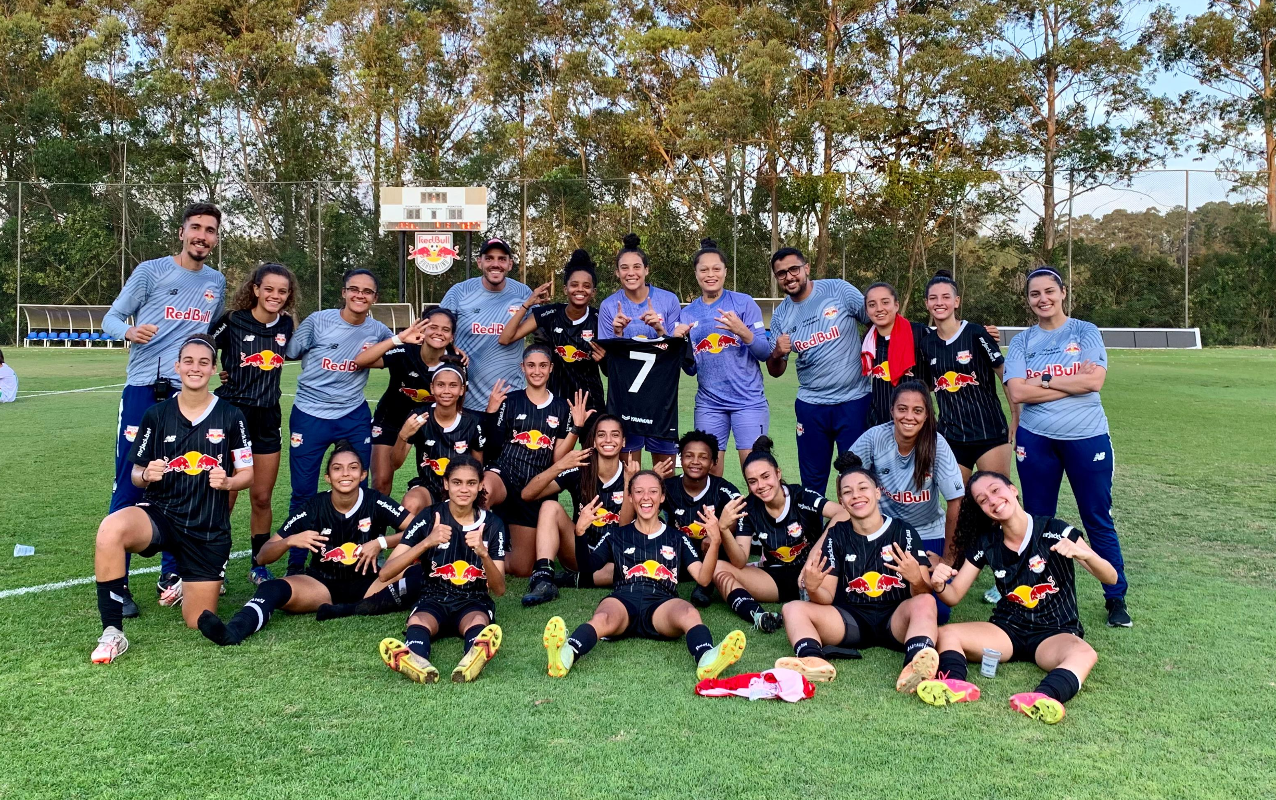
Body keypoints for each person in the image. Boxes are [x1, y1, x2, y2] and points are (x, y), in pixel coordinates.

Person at [90, 334, 253, 664]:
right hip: (161, 514)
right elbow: (136, 473)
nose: (195, 368)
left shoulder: (232, 415)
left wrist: (230, 480)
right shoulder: (156, 414)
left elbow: (248, 474)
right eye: (189, 361)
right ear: (178, 367)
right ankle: (112, 633)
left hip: (208, 527)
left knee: (198, 622)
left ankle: (187, 585)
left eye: (203, 362)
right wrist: (146, 474)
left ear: (212, 369)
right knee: (111, 529)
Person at [917, 471, 1118, 724]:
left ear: (1013, 490)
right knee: (947, 633)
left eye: (995, 490)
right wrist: (939, 585)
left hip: (1054, 633)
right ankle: (953, 684)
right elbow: (954, 594)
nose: (992, 500)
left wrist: (1084, 554)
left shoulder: (1055, 530)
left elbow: (1111, 578)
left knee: (1085, 653)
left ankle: (1043, 698)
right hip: (1007, 632)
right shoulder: (986, 543)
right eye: (982, 500)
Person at [101, 202, 225, 611]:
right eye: (196, 228)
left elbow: (209, 336)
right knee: (131, 478)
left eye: (210, 230)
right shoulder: (151, 271)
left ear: (215, 237)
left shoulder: (216, 281)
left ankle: (172, 574)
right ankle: (117, 587)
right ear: (182, 231)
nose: (202, 236)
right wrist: (130, 330)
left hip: (188, 396)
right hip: (143, 389)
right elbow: (111, 318)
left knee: (184, 478)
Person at [1002, 266, 1131, 628]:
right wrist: (1068, 380)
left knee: (1096, 517)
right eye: (1034, 294)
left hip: (1086, 437)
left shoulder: (1084, 331)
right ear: (1028, 300)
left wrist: (1040, 380)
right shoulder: (1023, 341)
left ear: (1062, 292)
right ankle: (1036, 590)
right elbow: (1016, 391)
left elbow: (1096, 381)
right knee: (1037, 520)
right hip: (1036, 438)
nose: (1042, 299)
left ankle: (1116, 596)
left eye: (1048, 292)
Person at [195, 441, 418, 645]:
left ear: (363, 474)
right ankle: (233, 631)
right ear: (328, 477)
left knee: (420, 573)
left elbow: (420, 530)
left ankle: (352, 609)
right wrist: (290, 541)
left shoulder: (375, 500)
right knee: (271, 588)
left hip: (371, 583)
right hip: (321, 587)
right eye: (337, 468)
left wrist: (381, 542)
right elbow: (263, 556)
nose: (345, 474)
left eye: (353, 467)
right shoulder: (313, 507)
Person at [542, 470, 748, 680]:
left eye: (653, 491)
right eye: (639, 492)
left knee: (688, 612)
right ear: (630, 498)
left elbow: (704, 579)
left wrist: (714, 543)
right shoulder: (616, 535)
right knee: (602, 617)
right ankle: (566, 654)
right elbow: (587, 569)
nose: (646, 497)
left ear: (662, 497)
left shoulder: (678, 537)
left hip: (662, 604)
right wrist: (580, 534)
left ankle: (706, 658)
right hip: (623, 600)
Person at [776, 453, 939, 689]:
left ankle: (914, 666)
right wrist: (812, 589)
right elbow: (826, 598)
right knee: (792, 608)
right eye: (848, 492)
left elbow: (924, 593)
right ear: (841, 501)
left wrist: (916, 580)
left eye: (863, 488)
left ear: (877, 492)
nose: (856, 496)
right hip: (852, 621)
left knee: (926, 602)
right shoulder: (837, 534)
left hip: (895, 619)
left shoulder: (903, 531)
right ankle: (813, 659)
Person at [283, 269, 392, 574]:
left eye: (367, 291)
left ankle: (367, 554)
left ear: (375, 298)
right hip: (310, 413)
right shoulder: (319, 321)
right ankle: (296, 565)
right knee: (303, 491)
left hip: (353, 415)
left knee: (360, 486)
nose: (360, 295)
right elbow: (291, 351)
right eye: (354, 289)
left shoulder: (379, 331)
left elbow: (403, 353)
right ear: (343, 292)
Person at [377, 456, 507, 684]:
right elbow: (385, 574)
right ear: (446, 484)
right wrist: (426, 542)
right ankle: (417, 662)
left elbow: (499, 589)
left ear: (479, 486)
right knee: (418, 622)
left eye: (470, 483)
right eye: (457, 482)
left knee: (477, 620)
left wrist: (484, 554)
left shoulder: (492, 524)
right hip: (433, 597)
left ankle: (472, 658)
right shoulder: (428, 517)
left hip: (473, 599)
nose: (464, 489)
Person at [208, 262, 298, 585]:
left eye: (282, 291)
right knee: (226, 496)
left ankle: (258, 565)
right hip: (231, 416)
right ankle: (213, 566)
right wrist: (218, 371)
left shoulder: (287, 325)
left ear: (288, 296)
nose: (275, 295)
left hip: (266, 418)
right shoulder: (231, 321)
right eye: (269, 289)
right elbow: (202, 347)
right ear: (256, 289)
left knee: (261, 496)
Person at [765, 247, 871, 494]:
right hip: (811, 405)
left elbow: (874, 319)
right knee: (812, 482)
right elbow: (775, 371)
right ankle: (812, 533)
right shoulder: (781, 315)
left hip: (854, 400)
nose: (789, 277)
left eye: (794, 269)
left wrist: (868, 351)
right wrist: (777, 353)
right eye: (781, 273)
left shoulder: (838, 290)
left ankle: (856, 532)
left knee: (857, 476)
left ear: (806, 268)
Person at [713, 437, 847, 633]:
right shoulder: (749, 508)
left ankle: (813, 600)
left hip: (814, 575)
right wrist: (724, 529)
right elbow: (740, 560)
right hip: (776, 579)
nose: (761, 485)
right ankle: (759, 615)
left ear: (778, 473)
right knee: (718, 567)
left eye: (765, 476)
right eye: (753, 481)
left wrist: (815, 551)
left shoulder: (800, 496)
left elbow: (843, 513)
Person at [481, 344, 588, 576]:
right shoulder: (509, 401)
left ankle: (490, 559)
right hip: (504, 474)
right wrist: (491, 412)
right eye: (531, 365)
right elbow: (492, 447)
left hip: (537, 485)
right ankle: (467, 553)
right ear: (523, 368)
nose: (536, 371)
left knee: (522, 568)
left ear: (551, 368)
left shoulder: (562, 407)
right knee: (483, 493)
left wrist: (577, 427)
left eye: (542, 365)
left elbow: (559, 458)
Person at [518, 414, 646, 606]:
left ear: (623, 441)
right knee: (549, 506)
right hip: (579, 551)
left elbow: (625, 529)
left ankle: (571, 580)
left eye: (615, 435)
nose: (608, 440)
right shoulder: (581, 470)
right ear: (594, 440)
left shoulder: (632, 475)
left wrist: (629, 484)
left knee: (633, 567)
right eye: (601, 435)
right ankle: (543, 578)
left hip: (612, 557)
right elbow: (528, 494)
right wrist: (561, 465)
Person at [675, 239, 772, 473]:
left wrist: (742, 331)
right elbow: (691, 369)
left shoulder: (743, 303)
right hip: (709, 404)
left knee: (755, 471)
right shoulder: (687, 313)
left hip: (748, 402)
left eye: (716, 268)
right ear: (696, 274)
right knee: (708, 474)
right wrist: (679, 345)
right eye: (704, 269)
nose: (711, 274)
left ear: (725, 272)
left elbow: (764, 352)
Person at [850, 380, 965, 559]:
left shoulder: (937, 444)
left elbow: (956, 501)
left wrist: (948, 560)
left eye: (917, 411)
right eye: (902, 409)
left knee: (936, 585)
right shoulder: (874, 437)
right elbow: (846, 476)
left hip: (928, 531)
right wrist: (862, 523)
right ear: (892, 411)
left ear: (926, 415)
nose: (909, 417)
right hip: (883, 528)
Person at [597, 233, 685, 466]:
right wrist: (616, 336)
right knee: (628, 472)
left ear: (647, 270)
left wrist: (659, 329)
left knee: (664, 473)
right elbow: (607, 367)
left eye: (637, 266)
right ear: (617, 273)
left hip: (661, 400)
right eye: (624, 268)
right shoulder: (608, 306)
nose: (631, 273)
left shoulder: (669, 301)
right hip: (626, 401)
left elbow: (675, 351)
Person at [921, 270, 1016, 481]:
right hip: (951, 437)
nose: (939, 302)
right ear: (927, 303)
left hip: (988, 432)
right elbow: (929, 383)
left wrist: (1016, 416)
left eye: (946, 297)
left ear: (956, 301)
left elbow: (1005, 373)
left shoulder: (976, 333)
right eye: (933, 298)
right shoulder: (926, 344)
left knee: (997, 498)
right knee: (958, 503)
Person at [357, 306, 460, 495]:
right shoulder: (405, 352)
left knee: (441, 481)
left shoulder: (455, 362)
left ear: (452, 336)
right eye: (433, 327)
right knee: (381, 481)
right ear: (423, 328)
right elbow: (361, 361)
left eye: (446, 330)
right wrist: (398, 339)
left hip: (430, 425)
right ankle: (377, 524)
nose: (438, 333)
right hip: (391, 420)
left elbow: (459, 401)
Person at [498, 249, 605, 417]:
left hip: (590, 402)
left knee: (591, 445)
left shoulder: (600, 319)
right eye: (574, 284)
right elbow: (506, 338)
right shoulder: (550, 314)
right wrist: (528, 303)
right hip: (555, 403)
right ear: (565, 289)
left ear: (593, 292)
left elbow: (609, 369)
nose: (580, 290)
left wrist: (605, 359)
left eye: (586, 286)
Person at [440, 238, 531, 414]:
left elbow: (542, 331)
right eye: (489, 258)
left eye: (502, 259)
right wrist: (451, 346)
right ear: (479, 262)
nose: (495, 264)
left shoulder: (524, 294)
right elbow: (435, 329)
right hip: (466, 401)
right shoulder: (460, 292)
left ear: (510, 264)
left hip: (511, 398)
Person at [662, 429, 745, 608]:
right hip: (679, 554)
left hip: (713, 554)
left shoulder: (723, 489)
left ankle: (704, 587)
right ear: (680, 458)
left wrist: (717, 534)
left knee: (714, 541)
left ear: (714, 462)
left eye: (703, 457)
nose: (695, 462)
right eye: (689, 456)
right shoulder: (668, 487)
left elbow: (737, 517)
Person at [392, 358, 485, 514]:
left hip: (460, 488)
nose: (446, 391)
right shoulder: (419, 417)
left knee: (480, 507)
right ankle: (409, 539)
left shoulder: (473, 422)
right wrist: (403, 436)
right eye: (440, 385)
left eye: (453, 385)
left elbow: (477, 466)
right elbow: (395, 463)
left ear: (462, 389)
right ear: (432, 388)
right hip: (427, 487)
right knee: (410, 504)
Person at [861, 282, 933, 428]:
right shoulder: (867, 341)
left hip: (915, 424)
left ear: (896, 305)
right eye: (872, 304)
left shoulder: (919, 333)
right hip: (879, 423)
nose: (879, 309)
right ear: (867, 311)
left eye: (885, 302)